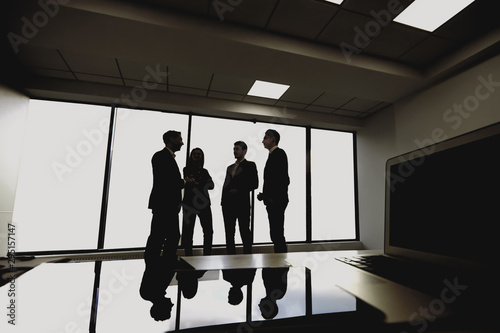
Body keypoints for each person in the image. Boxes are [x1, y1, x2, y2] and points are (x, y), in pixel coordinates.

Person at [142, 130, 191, 320]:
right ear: (171, 139)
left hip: (167, 205)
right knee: (165, 235)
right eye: (179, 139)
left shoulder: (151, 293)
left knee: (164, 235)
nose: (182, 142)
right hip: (165, 204)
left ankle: (162, 258)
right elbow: (167, 180)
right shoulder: (161, 156)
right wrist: (183, 182)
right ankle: (165, 258)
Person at [221, 141, 258, 254]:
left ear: (244, 151)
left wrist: (238, 190)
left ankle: (248, 257)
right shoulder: (230, 167)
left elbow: (254, 183)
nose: (235, 151)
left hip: (242, 204)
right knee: (229, 232)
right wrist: (223, 202)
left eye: (237, 149)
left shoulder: (250, 165)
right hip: (228, 204)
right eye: (234, 149)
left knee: (245, 231)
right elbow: (225, 185)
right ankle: (230, 257)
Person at [257, 129, 290, 253]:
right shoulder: (273, 155)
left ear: (273, 139)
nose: (263, 141)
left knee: (277, 233)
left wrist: (272, 197)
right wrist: (265, 195)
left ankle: (282, 264)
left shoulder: (279, 153)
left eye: (265, 138)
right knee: (275, 233)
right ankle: (281, 262)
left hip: (276, 200)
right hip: (273, 199)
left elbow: (283, 179)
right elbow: (273, 180)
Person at [181, 148, 214, 256]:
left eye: (199, 154)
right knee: (188, 232)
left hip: (203, 204)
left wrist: (197, 182)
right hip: (190, 204)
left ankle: (207, 255)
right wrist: (204, 183)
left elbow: (212, 185)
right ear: (191, 156)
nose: (197, 156)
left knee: (208, 230)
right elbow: (192, 183)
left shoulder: (205, 171)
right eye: (195, 154)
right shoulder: (186, 169)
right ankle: (188, 255)